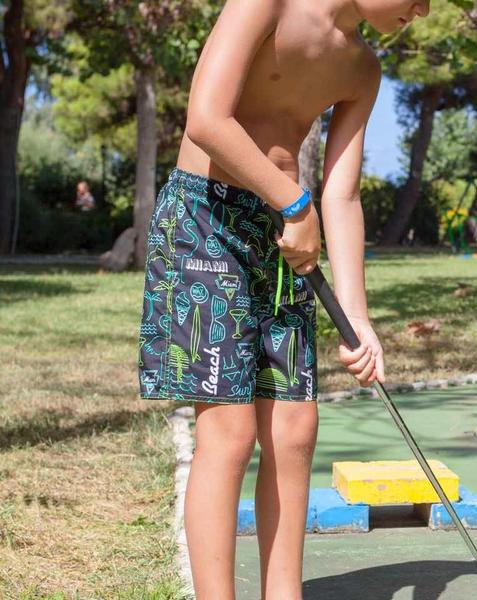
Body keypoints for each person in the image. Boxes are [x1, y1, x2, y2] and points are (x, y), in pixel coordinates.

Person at [136, 1, 429, 598]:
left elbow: (342, 196)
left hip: (287, 235)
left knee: (295, 429)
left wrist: (358, 318)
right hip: (205, 218)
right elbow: (206, 118)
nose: (421, 10)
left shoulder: (362, 69)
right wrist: (294, 204)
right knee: (231, 432)